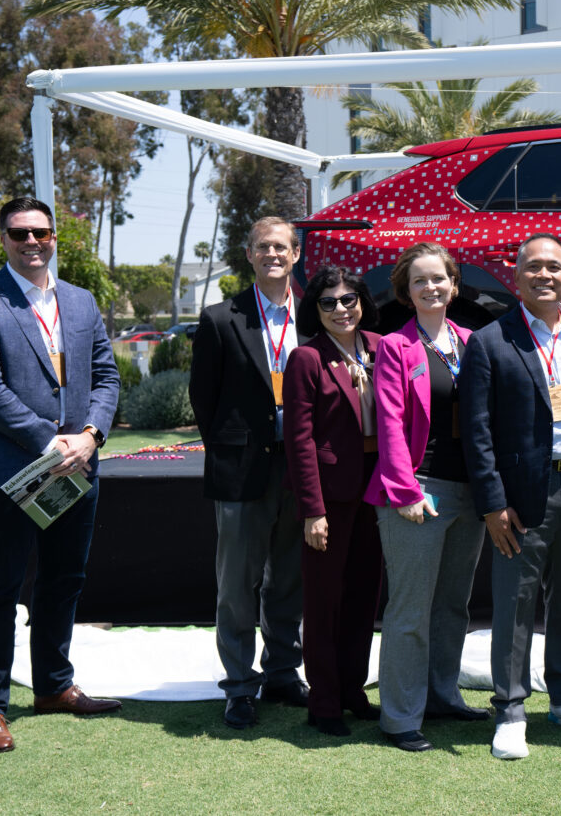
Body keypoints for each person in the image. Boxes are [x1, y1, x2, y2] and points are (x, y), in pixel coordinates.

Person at [0, 196, 122, 752]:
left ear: (54, 238)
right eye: (19, 233)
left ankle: (53, 686)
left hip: (77, 464)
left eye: (40, 233)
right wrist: (51, 441)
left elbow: (106, 376)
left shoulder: (80, 301)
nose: (31, 242)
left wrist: (90, 435)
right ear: (3, 238)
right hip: (11, 470)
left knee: (64, 580)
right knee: (0, 589)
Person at [460, 233, 561, 760]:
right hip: (519, 496)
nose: (544, 275)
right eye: (533, 267)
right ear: (516, 277)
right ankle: (510, 709)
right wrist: (492, 502)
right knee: (515, 601)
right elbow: (477, 431)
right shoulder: (490, 342)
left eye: (554, 267)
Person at [366, 242, 489, 752]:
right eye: (420, 280)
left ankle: (441, 696)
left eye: (439, 278)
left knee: (453, 606)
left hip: (469, 492)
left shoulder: (474, 342)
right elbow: (390, 423)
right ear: (406, 291)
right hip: (418, 490)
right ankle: (399, 717)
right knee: (410, 610)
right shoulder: (395, 347)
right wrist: (406, 490)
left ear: (454, 285)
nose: (431, 287)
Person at [190, 216, 310, 729]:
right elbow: (204, 398)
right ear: (249, 254)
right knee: (238, 586)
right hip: (242, 469)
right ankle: (239, 685)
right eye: (263, 247)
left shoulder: (316, 315)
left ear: (296, 253)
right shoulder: (221, 318)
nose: (272, 255)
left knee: (288, 579)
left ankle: (282, 671)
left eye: (281, 247)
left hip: (301, 468)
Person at [283, 266, 386, 737]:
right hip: (330, 495)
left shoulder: (382, 347)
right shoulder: (306, 358)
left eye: (349, 300)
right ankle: (323, 700)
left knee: (364, 595)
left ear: (362, 301)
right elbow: (299, 439)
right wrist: (313, 510)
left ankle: (352, 691)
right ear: (316, 309)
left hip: (377, 489)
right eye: (328, 302)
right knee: (325, 600)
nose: (341, 309)